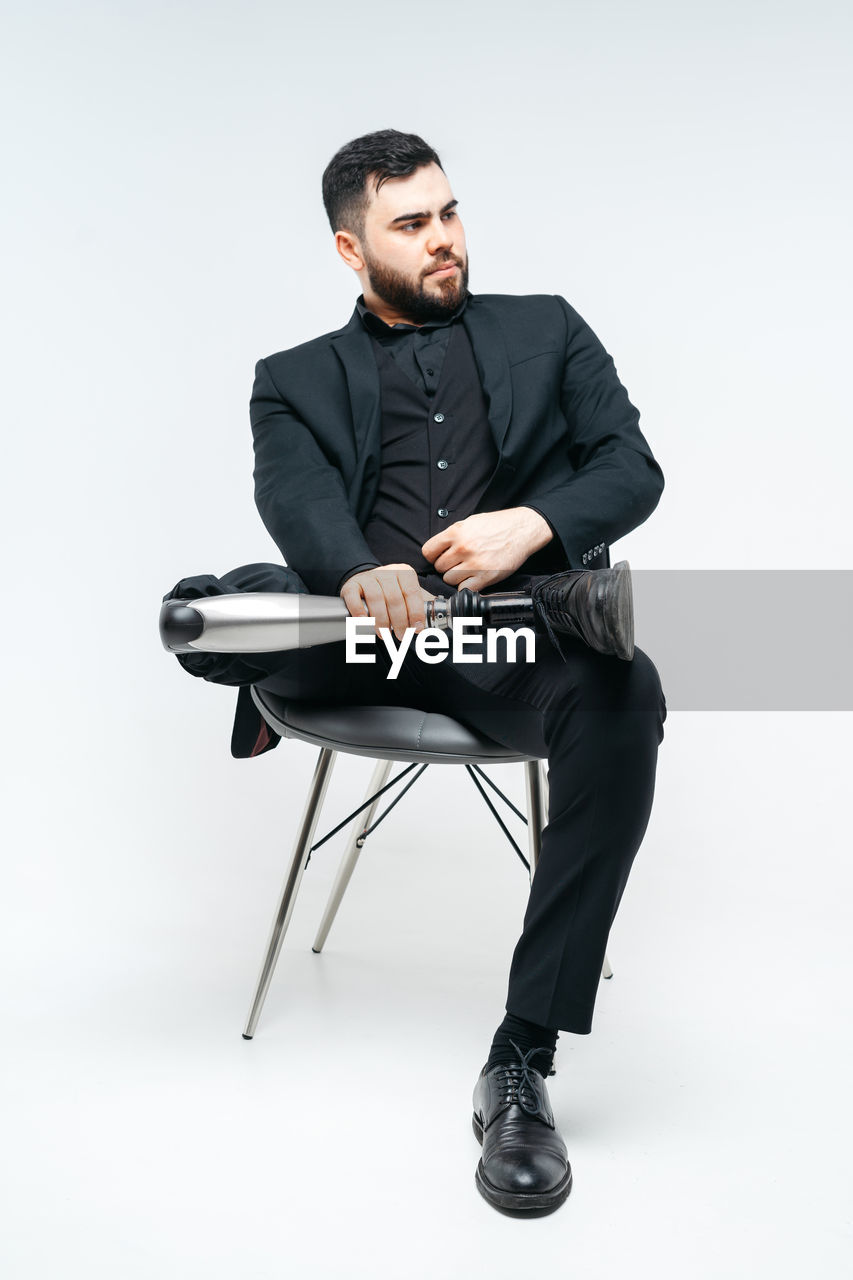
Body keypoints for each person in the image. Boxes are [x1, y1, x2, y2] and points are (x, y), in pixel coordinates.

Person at [163, 128, 667, 1214]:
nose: (443, 240)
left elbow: (632, 465)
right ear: (351, 250)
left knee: (627, 686)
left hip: (501, 646)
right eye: (410, 225)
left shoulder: (548, 328)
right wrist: (355, 572)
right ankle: (245, 629)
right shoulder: (291, 379)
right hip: (362, 641)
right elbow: (296, 495)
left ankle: (520, 1057)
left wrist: (528, 522)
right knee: (205, 615)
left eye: (448, 213)